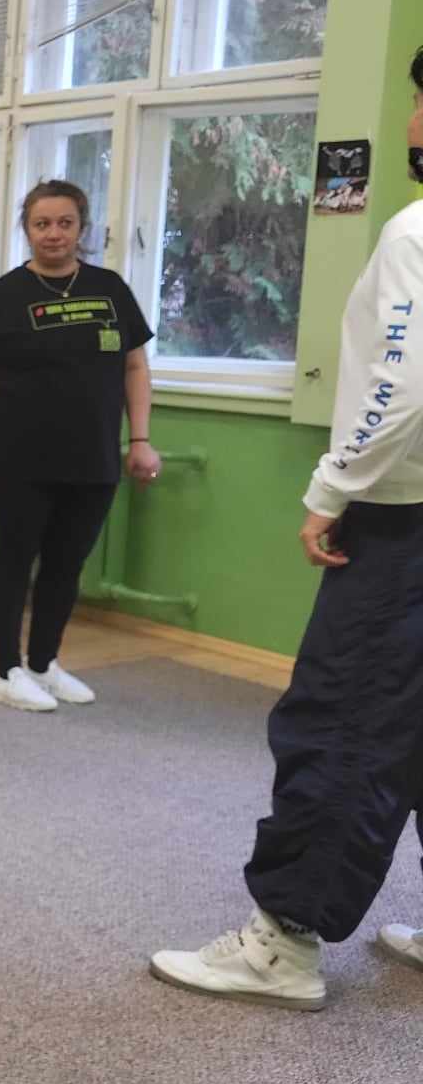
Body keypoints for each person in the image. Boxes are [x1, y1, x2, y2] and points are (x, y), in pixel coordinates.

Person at [150, 56, 423, 1012]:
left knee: (345, 716)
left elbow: (402, 381)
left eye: (418, 102)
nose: (410, 121)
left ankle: (284, 944)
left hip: (403, 521)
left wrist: (334, 485)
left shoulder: (415, 232)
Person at [0, 179, 160, 713]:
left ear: (81, 228)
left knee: (66, 566)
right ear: (26, 229)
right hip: (19, 457)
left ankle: (44, 662)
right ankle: (5, 669)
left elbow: (135, 367)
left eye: (64, 223)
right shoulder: (2, 296)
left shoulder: (110, 288)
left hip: (93, 456)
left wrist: (140, 439)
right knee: (14, 561)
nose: (53, 234)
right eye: (41, 224)